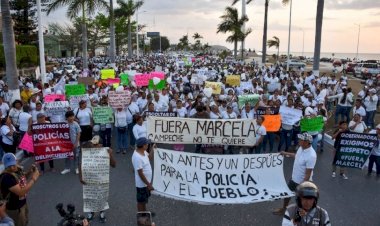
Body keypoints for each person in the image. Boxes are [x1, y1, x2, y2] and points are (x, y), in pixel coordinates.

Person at [273, 132, 317, 215]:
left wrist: (302, 186)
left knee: (301, 200)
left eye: (301, 140)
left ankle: (301, 216)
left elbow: (308, 173)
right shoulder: (301, 148)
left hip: (302, 182)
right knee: (287, 195)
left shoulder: (312, 155)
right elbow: (296, 155)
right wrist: (285, 153)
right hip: (294, 179)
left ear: (307, 142)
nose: (299, 141)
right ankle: (284, 209)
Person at [79, 135, 116, 223]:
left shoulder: (106, 152)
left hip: (101, 181)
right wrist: (80, 177)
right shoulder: (88, 152)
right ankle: (91, 213)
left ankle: (102, 213)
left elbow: (114, 165)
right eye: (93, 144)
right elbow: (81, 164)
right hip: (89, 181)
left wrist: (110, 154)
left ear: (101, 145)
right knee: (90, 196)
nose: (94, 146)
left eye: (96, 144)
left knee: (101, 196)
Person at [0, 153, 40, 226]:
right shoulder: (7, 177)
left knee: (25, 221)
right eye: (9, 166)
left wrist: (30, 171)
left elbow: (22, 180)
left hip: (22, 204)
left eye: (13, 164)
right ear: (5, 166)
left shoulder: (18, 170)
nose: (12, 167)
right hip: (14, 209)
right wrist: (34, 178)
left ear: (16, 161)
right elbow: (21, 192)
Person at [132, 137, 154, 212]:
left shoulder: (143, 151)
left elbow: (150, 158)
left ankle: (145, 213)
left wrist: (153, 149)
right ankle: (141, 217)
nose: (148, 145)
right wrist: (148, 184)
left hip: (146, 183)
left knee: (144, 200)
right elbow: (140, 173)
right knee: (141, 201)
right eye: (147, 144)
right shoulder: (137, 157)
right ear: (143, 146)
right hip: (142, 184)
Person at [61, 111, 81, 175]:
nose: (71, 118)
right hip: (67, 144)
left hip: (75, 143)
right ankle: (67, 168)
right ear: (66, 118)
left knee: (76, 156)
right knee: (67, 156)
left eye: (72, 116)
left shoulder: (76, 124)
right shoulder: (64, 124)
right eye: (69, 117)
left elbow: (78, 134)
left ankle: (76, 168)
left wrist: (76, 143)